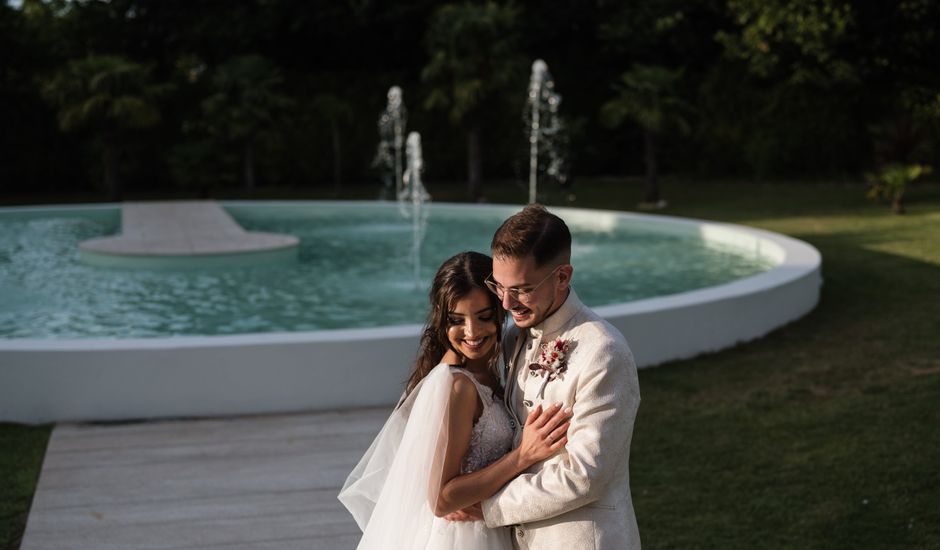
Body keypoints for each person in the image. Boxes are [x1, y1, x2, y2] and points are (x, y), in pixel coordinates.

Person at [339, 251, 572, 549]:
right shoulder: (458, 386)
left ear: (500, 310)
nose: (473, 332)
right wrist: (523, 456)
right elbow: (441, 499)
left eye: (484, 317)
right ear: (441, 316)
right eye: (457, 320)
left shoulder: (480, 372)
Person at [448, 204, 642, 549]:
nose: (507, 304)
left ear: (563, 276)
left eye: (522, 289)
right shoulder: (514, 338)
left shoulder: (603, 350)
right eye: (499, 286)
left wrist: (489, 506)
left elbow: (585, 475)